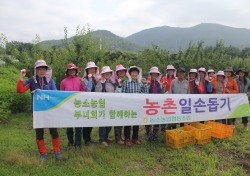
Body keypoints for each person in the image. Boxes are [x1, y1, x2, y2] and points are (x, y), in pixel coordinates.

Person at [16, 60, 62, 161]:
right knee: (39, 133)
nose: (42, 71)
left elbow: (55, 94)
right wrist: (21, 77)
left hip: (50, 111)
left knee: (54, 131)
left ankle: (57, 151)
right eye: (39, 69)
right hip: (38, 112)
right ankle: (43, 152)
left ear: (46, 70)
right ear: (35, 70)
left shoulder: (50, 81)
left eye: (44, 69)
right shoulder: (31, 80)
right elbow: (20, 90)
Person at [60, 63, 86, 149]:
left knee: (78, 127)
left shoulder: (80, 80)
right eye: (70, 70)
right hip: (68, 107)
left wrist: (82, 84)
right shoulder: (63, 82)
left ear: (76, 71)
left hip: (78, 106)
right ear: (67, 72)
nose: (72, 71)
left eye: (73, 70)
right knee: (69, 127)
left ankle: (78, 144)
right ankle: (70, 142)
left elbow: (84, 93)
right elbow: (61, 95)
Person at [121, 66, 148, 146]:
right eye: (132, 72)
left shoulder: (140, 83)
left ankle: (135, 138)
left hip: (137, 106)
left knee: (136, 122)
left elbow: (145, 93)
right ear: (130, 74)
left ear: (138, 74)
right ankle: (127, 138)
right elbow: (122, 94)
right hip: (128, 105)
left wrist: (145, 84)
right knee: (128, 123)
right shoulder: (126, 82)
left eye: (136, 72)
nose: (134, 74)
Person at [95, 66, 115, 147]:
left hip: (111, 105)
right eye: (105, 73)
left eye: (109, 73)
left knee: (110, 122)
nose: (107, 74)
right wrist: (99, 83)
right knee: (103, 122)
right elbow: (97, 92)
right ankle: (102, 139)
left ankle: (106, 136)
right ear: (102, 74)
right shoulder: (100, 82)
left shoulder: (113, 82)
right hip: (103, 105)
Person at [82, 61, 99, 146]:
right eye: (90, 69)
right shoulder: (85, 79)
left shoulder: (94, 79)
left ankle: (89, 138)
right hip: (87, 103)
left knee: (91, 121)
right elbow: (88, 90)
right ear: (87, 70)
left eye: (93, 69)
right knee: (87, 121)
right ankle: (86, 139)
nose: (92, 70)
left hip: (93, 103)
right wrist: (89, 79)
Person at [145, 67, 163, 141]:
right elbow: (144, 92)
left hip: (157, 104)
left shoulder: (159, 84)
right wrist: (147, 85)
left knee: (156, 120)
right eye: (153, 74)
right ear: (151, 74)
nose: (154, 75)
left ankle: (155, 135)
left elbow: (161, 93)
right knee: (148, 120)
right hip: (148, 104)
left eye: (156, 74)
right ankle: (148, 135)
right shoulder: (147, 82)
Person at [114, 64, 128, 144]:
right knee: (117, 120)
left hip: (124, 103)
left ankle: (120, 135)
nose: (121, 73)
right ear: (117, 73)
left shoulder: (126, 81)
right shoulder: (114, 82)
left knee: (122, 119)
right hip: (117, 103)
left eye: (123, 71)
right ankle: (117, 137)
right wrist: (119, 86)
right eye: (120, 72)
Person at [160, 65, 176, 130]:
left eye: (171, 70)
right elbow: (161, 88)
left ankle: (172, 125)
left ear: (173, 71)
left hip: (173, 98)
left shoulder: (175, 79)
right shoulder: (164, 78)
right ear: (167, 71)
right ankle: (163, 126)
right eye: (169, 70)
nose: (170, 71)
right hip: (165, 98)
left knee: (172, 112)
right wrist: (163, 87)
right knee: (164, 111)